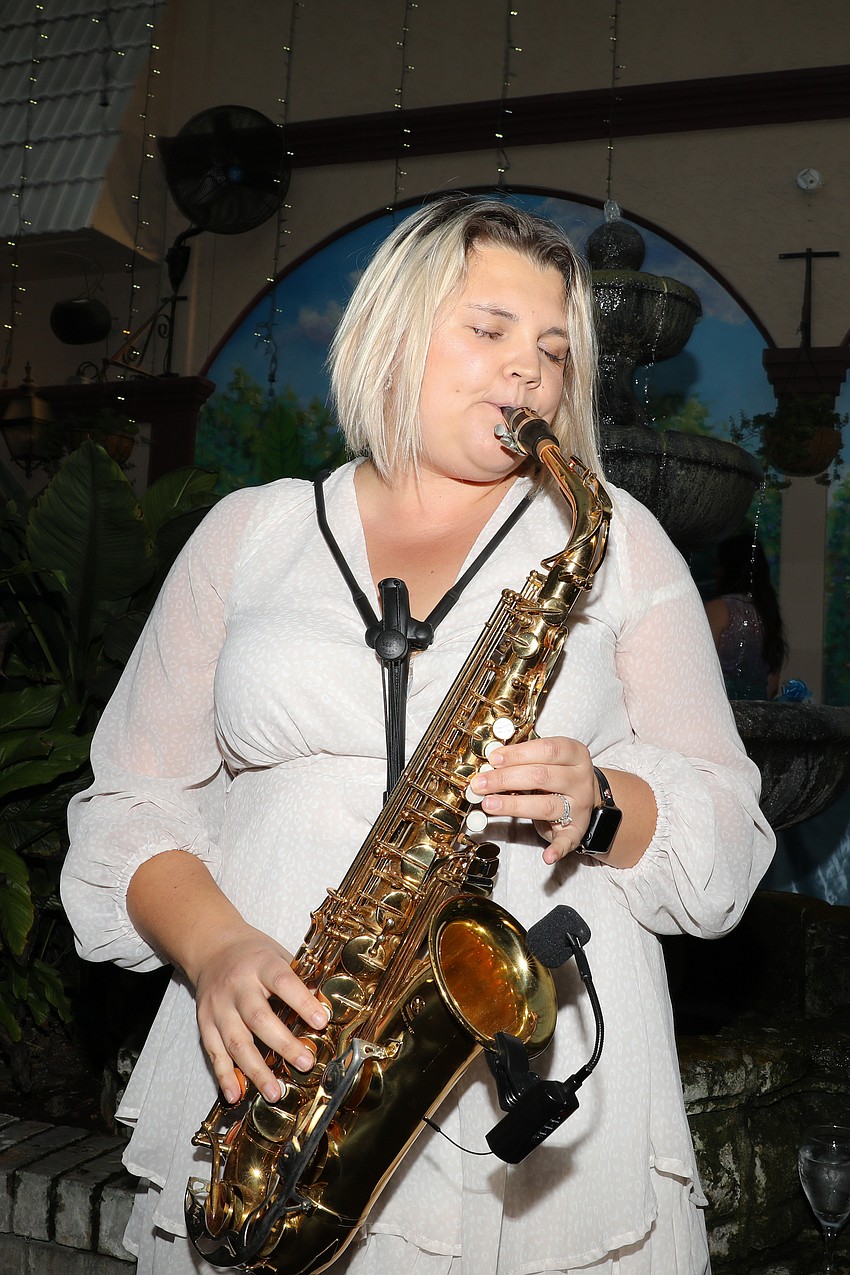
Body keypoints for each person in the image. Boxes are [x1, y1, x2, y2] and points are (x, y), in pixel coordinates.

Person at [61, 194, 774, 1274]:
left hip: (532, 1096)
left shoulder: (615, 540)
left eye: (551, 349)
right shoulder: (249, 533)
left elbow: (728, 841)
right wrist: (214, 950)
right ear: (393, 331)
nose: (528, 371)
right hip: (281, 1067)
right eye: (487, 329)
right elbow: (129, 804)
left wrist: (608, 801)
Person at [704, 533, 787, 700]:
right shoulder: (769, 615)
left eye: (718, 565)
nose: (714, 572)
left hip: (720, 712)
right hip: (758, 716)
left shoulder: (718, 609)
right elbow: (772, 685)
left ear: (731, 568)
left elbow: (699, 668)